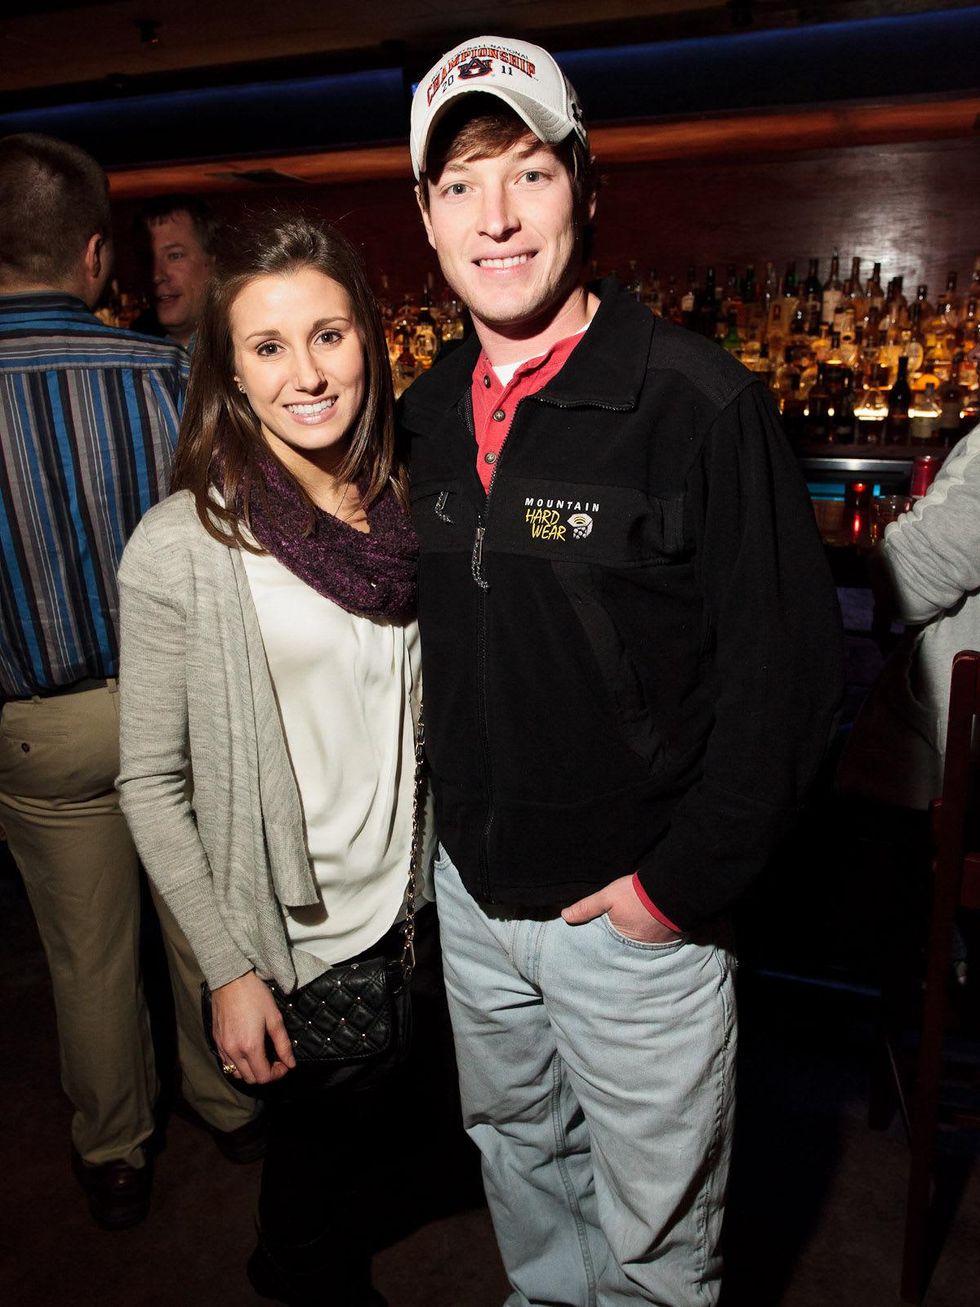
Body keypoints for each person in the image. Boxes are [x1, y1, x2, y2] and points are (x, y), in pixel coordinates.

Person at [401, 36, 844, 1306]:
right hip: (478, 907)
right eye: (459, 184)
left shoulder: (695, 403)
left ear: (585, 188)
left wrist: (675, 889)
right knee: (524, 1179)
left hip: (631, 918)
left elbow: (789, 687)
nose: (494, 217)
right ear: (424, 215)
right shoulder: (422, 409)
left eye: (526, 172)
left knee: (653, 1248)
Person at [116, 212, 433, 1307]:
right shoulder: (183, 544)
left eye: (329, 334)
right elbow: (149, 783)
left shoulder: (408, 510)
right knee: (311, 1185)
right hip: (294, 943)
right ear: (230, 375)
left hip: (416, 915)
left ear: (370, 343)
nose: (307, 374)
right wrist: (227, 967)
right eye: (267, 346)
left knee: (382, 1151)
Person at [0, 132, 260, 1233]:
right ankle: (229, 1100)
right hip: (178, 711)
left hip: (36, 728)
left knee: (86, 953)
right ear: (98, 255)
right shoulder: (169, 378)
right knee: (201, 925)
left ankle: (115, 1148)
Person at [134, 193, 218, 348]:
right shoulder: (129, 353)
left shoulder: (247, 346)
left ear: (213, 263)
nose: (157, 275)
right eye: (148, 259)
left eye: (174, 256)